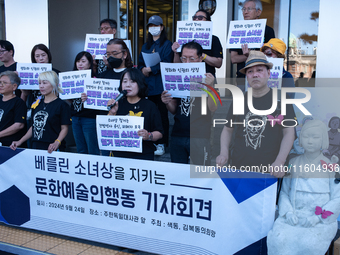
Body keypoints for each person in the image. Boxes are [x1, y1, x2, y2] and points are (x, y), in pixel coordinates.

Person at [216, 50, 296, 255]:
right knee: (239, 215)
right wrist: (223, 152)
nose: (255, 75)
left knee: (264, 220)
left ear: (269, 73)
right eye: (250, 71)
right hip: (238, 168)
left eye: (259, 70)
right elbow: (227, 129)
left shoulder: (281, 100)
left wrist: (280, 161)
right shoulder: (240, 99)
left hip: (268, 172)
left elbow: (289, 133)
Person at [267, 120, 340, 255]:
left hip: (319, 221)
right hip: (293, 216)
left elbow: (337, 198)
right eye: (306, 137)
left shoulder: (332, 168)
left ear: (323, 139)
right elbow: (284, 192)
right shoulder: (293, 163)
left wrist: (317, 218)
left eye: (315, 137)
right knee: (278, 239)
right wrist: (288, 213)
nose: (310, 141)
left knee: (310, 243)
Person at [161, 41, 217, 165]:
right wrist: (167, 102)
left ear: (201, 58)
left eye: (191, 59)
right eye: (184, 58)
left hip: (200, 135)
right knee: (178, 175)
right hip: (178, 133)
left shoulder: (208, 78)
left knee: (202, 174)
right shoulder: (177, 76)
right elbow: (174, 109)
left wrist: (211, 87)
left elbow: (213, 108)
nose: (187, 63)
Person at [107, 68, 163, 160]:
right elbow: (108, 130)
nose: (127, 85)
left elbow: (159, 133)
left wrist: (148, 136)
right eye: (124, 81)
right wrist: (112, 113)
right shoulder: (117, 104)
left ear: (140, 83)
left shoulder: (150, 106)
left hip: (143, 155)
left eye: (132, 81)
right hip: (120, 155)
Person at [10, 71, 71, 153]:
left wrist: (57, 142)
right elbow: (33, 127)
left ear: (54, 84)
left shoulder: (62, 105)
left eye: (45, 83)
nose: (41, 86)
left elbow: (64, 128)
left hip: (53, 147)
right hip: (36, 145)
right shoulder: (37, 104)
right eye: (39, 83)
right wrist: (20, 141)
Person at [138, 15, 173, 156]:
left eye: (156, 25)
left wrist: (151, 69)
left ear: (162, 27)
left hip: (161, 85)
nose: (154, 28)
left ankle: (162, 143)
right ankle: (151, 141)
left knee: (162, 115)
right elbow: (140, 62)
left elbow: (167, 62)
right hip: (148, 87)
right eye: (151, 26)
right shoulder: (145, 45)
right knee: (149, 114)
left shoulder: (167, 44)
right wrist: (142, 69)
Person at [230, 0, 275, 90]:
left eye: (249, 9)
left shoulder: (268, 31)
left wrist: (251, 54)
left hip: (262, 78)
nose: (245, 12)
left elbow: (271, 56)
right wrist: (251, 55)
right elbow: (234, 58)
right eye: (243, 9)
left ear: (258, 12)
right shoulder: (237, 30)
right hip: (242, 78)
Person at [172, 9, 223, 77]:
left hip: (207, 78)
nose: (196, 19)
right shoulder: (185, 39)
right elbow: (177, 65)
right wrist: (176, 52)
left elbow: (218, 63)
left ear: (208, 21)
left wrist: (202, 55)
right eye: (194, 17)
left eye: (200, 18)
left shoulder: (214, 39)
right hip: (186, 77)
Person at [71, 51, 100, 155]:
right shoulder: (71, 78)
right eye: (78, 61)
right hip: (75, 117)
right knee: (81, 149)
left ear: (89, 63)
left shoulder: (95, 79)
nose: (80, 64)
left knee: (92, 149)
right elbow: (71, 101)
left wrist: (90, 97)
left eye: (83, 61)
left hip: (89, 118)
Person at [0, 71, 26, 147]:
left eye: (4, 83)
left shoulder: (18, 103)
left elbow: (19, 125)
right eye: (0, 82)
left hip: (11, 146)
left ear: (14, 86)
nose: (1, 85)